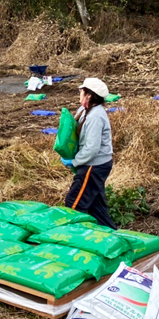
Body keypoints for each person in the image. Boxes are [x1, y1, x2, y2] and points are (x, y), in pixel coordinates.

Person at [64, 78, 118, 229]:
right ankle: (112, 236)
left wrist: (74, 161)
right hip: (95, 164)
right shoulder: (85, 110)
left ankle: (71, 237)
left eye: (81, 91)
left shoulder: (96, 116)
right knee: (97, 209)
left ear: (89, 95)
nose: (79, 94)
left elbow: (92, 148)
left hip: (94, 166)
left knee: (73, 205)